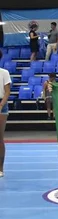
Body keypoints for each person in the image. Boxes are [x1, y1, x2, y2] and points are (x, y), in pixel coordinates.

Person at [0, 49, 11, 178]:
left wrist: (1, 104)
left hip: (1, 105)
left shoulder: (4, 73)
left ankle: (0, 168)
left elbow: (7, 91)